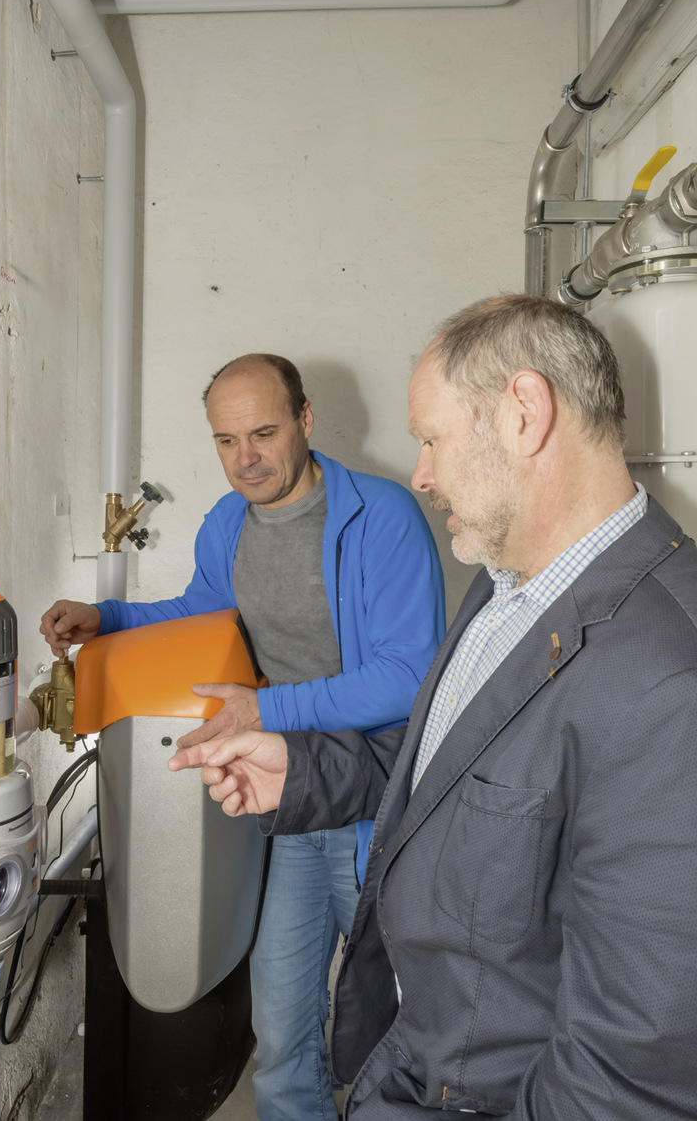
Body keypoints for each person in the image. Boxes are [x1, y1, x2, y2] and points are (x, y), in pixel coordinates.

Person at [169, 297, 697, 1120]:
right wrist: (303, 769)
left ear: (524, 413)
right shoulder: (503, 584)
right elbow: (446, 771)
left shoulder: (671, 679)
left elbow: (627, 1081)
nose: (419, 471)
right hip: (418, 1059)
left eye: (432, 438)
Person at [40, 353, 445, 1121]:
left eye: (262, 432)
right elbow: (202, 613)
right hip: (287, 803)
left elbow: (410, 673)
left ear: (306, 420)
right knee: (283, 1027)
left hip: (380, 806)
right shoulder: (227, 523)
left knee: (400, 1032)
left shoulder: (382, 514)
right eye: (226, 441)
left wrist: (269, 710)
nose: (245, 458)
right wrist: (110, 618)